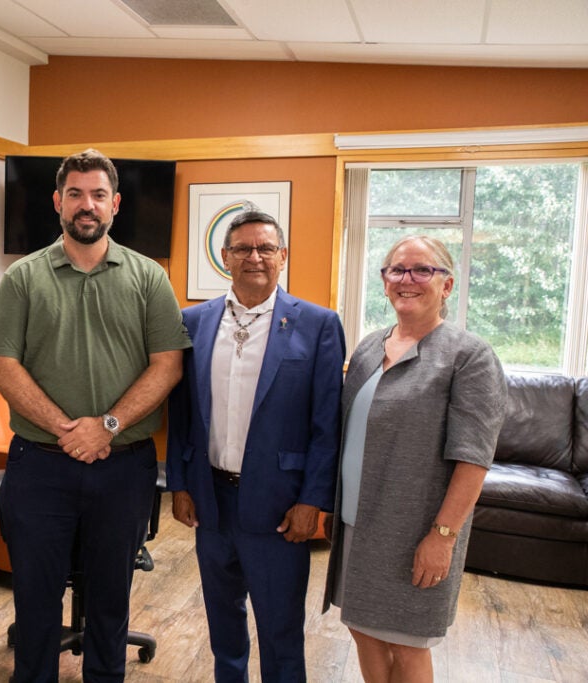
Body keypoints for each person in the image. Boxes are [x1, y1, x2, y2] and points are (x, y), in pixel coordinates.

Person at [0, 148, 190, 682]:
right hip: (40, 465)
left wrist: (107, 427)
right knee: (35, 601)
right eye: (75, 194)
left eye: (98, 194)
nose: (87, 205)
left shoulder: (149, 278)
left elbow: (167, 365)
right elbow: (1, 363)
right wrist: (66, 429)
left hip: (123, 468)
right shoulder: (22, 278)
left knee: (110, 601)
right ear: (57, 202)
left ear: (115, 204)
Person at [166, 207, 345, 682]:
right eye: (243, 248)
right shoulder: (193, 322)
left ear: (283, 256)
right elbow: (182, 415)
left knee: (280, 633)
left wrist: (313, 500)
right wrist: (179, 484)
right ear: (225, 257)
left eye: (266, 248)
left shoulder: (318, 325)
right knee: (223, 629)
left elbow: (326, 424)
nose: (255, 257)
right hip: (210, 501)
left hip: (279, 506)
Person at [323, 235, 507, 682]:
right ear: (384, 280)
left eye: (423, 270)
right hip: (357, 523)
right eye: (397, 269)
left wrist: (442, 536)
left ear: (447, 285)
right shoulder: (369, 348)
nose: (407, 279)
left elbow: (473, 459)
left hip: (416, 533)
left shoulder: (469, 356)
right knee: (362, 629)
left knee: (407, 643)